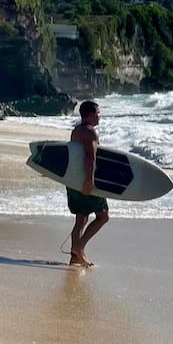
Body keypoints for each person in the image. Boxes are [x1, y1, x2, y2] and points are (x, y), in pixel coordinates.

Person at [66, 99, 108, 267]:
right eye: (98, 113)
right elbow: (90, 158)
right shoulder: (91, 133)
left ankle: (75, 257)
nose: (100, 117)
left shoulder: (76, 131)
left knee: (81, 218)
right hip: (85, 181)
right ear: (90, 115)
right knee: (103, 216)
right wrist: (89, 182)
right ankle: (79, 247)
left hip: (73, 181)